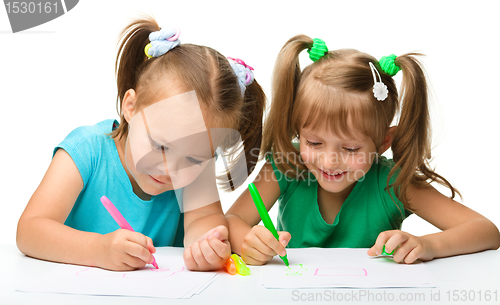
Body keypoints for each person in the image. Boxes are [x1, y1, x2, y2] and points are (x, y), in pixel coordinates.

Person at [16, 15, 265, 271]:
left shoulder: (195, 162)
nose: (170, 169)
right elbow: (30, 230)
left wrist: (205, 244)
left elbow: (205, 219)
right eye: (160, 146)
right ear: (130, 106)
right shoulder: (85, 151)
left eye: (193, 159)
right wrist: (98, 250)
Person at [226, 35, 500, 265]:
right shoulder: (286, 166)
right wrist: (247, 241)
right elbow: (232, 219)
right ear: (298, 129)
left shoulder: (392, 182)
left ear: (383, 142)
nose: (330, 161)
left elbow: (486, 231)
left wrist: (427, 246)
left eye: (350, 148)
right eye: (314, 143)